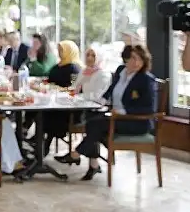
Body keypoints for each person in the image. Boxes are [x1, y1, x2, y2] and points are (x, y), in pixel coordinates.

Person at [55, 45, 156, 181]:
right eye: (132, 58)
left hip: (136, 121)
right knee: (92, 121)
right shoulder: (121, 71)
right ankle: (92, 164)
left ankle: (75, 154)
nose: (136, 62)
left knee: (97, 125)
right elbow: (111, 89)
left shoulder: (146, 80)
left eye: (140, 59)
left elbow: (149, 109)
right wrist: (103, 100)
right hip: (116, 116)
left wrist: (122, 111)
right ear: (126, 59)